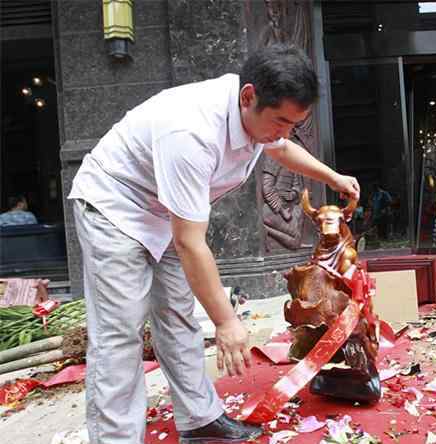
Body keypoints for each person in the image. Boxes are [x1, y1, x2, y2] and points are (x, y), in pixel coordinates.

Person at [68, 44, 360, 444]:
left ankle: (200, 421)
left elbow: (281, 147)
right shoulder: (191, 131)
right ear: (248, 97)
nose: (283, 132)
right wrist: (226, 322)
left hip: (165, 210)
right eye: (280, 121)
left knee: (179, 316)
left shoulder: (260, 116)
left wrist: (332, 178)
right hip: (115, 206)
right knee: (120, 333)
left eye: (294, 123)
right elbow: (190, 242)